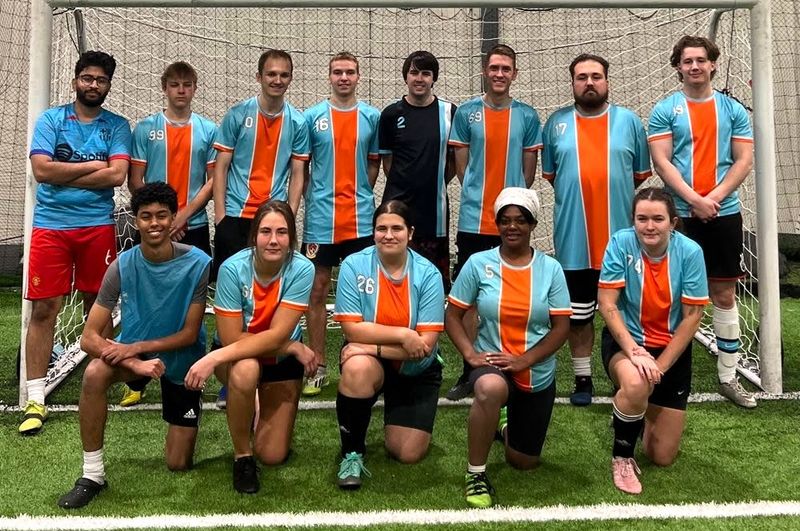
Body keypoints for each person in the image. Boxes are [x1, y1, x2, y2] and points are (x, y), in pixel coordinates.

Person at [57, 182, 211, 509]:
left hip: (182, 358)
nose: (154, 223)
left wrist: (133, 347)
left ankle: (187, 409)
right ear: (136, 221)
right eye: (145, 217)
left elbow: (189, 333)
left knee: (178, 463)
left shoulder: (198, 262)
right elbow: (89, 337)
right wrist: (135, 361)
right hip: (135, 356)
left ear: (173, 220)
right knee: (95, 373)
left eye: (161, 216)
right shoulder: (121, 266)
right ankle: (92, 474)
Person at [21, 50, 131, 435]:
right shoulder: (51, 120)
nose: (93, 85)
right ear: (75, 81)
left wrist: (62, 174)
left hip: (96, 226)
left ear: (108, 85)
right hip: (51, 227)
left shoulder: (117, 125)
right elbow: (41, 169)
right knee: (45, 308)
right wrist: (91, 167)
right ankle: (35, 396)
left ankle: (105, 378)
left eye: (100, 80)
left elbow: (117, 176)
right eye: (87, 78)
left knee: (98, 307)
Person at [445, 188, 571, 508]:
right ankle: (476, 473)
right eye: (505, 221)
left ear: (532, 225)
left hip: (535, 369)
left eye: (520, 220)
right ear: (497, 224)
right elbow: (453, 315)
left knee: (523, 462)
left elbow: (561, 329)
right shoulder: (478, 264)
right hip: (493, 362)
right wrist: (470, 355)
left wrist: (524, 359)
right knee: (489, 387)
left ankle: (502, 425)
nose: (512, 227)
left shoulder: (551, 269)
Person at [648, 35, 756, 408]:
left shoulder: (733, 110)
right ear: (677, 66)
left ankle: (728, 375)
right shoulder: (665, 109)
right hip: (679, 216)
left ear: (713, 64)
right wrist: (693, 200)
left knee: (723, 293)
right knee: (671, 295)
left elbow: (742, 161)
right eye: (687, 61)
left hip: (723, 213)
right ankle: (664, 373)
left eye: (700, 60)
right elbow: (662, 161)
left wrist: (712, 199)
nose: (694, 66)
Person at [184, 200, 316, 495]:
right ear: (254, 236)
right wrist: (291, 344)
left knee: (272, 455)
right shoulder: (232, 269)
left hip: (279, 358)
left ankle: (254, 402)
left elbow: (275, 336)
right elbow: (231, 338)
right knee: (246, 368)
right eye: (266, 231)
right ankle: (242, 456)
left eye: (282, 232)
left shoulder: (302, 269)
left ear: (292, 238)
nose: (273, 240)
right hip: (237, 358)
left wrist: (288, 344)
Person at [541, 54, 652, 406]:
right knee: (579, 316)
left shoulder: (630, 122)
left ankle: (631, 375)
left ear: (607, 81)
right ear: (572, 82)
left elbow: (637, 176)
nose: (589, 82)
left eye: (596, 76)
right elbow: (553, 176)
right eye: (581, 77)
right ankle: (583, 378)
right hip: (574, 242)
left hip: (622, 244)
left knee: (627, 313)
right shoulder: (555, 123)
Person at [212, 49, 309, 407]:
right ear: (259, 76)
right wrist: (221, 216)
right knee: (233, 297)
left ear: (290, 79)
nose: (277, 80)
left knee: (272, 293)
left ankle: (270, 363)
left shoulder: (297, 123)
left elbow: (299, 174)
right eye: (271, 74)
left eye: (284, 74)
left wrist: (289, 215)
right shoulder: (238, 114)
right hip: (237, 217)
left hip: (272, 219)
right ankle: (231, 373)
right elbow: (220, 167)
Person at [446, 44, 543, 401]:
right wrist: (477, 193)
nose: (499, 74)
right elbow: (461, 165)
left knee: (510, 297)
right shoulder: (468, 113)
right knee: (470, 300)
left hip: (513, 221)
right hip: (474, 218)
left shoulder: (528, 116)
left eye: (506, 68)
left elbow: (528, 171)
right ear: (485, 72)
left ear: (514, 74)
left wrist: (512, 203)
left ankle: (508, 363)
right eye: (494, 68)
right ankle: (472, 367)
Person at [598, 187, 708, 495]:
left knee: (662, 457)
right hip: (626, 343)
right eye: (642, 218)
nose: (649, 226)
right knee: (635, 384)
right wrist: (635, 351)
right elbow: (607, 304)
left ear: (672, 222)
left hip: (670, 351)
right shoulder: (620, 243)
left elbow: (692, 317)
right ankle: (622, 456)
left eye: (658, 219)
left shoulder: (690, 252)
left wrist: (659, 364)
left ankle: (630, 412)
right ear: (633, 220)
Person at [331, 200, 445, 490]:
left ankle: (396, 411)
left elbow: (425, 347)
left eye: (397, 228)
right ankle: (352, 453)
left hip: (416, 368)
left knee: (407, 454)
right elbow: (351, 328)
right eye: (382, 228)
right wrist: (403, 335)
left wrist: (372, 346)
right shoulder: (354, 266)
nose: (389, 235)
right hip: (373, 363)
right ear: (373, 233)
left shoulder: (429, 274)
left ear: (411, 233)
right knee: (356, 367)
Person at [122, 61, 217, 407]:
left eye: (187, 84)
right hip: (155, 227)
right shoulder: (146, 128)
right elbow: (136, 179)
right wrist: (160, 219)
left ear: (194, 88)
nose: (181, 90)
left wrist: (183, 217)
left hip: (192, 226)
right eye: (174, 84)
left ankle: (191, 369)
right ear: (164, 87)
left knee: (193, 302)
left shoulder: (208, 130)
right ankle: (137, 376)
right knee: (145, 298)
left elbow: (212, 182)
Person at [301, 52, 381, 396]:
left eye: (349, 72)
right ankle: (317, 364)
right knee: (316, 290)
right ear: (329, 76)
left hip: (361, 219)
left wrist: (361, 191)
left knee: (364, 292)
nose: (343, 77)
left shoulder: (372, 117)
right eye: (337, 72)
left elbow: (374, 165)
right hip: (321, 220)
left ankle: (358, 357)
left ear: (359, 76)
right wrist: (314, 197)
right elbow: (301, 169)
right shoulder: (311, 117)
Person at [379, 51, 456, 290]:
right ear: (405, 77)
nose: (419, 78)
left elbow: (454, 161)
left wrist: (433, 181)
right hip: (398, 210)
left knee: (433, 284)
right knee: (396, 281)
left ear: (434, 78)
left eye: (426, 73)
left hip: (434, 213)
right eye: (414, 72)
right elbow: (388, 163)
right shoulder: (391, 114)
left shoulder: (449, 112)